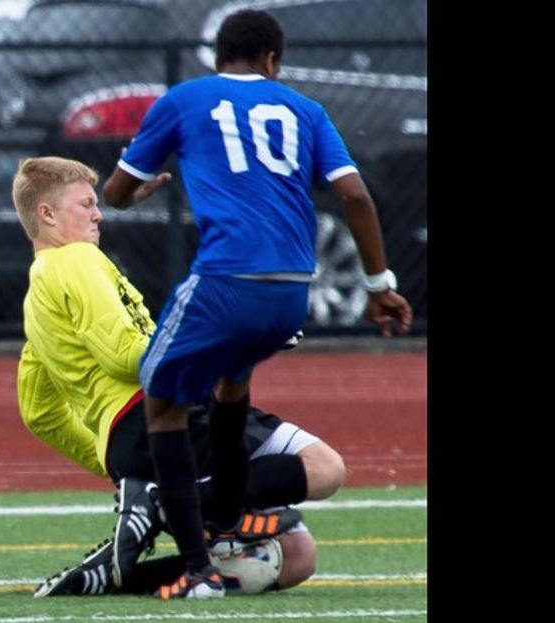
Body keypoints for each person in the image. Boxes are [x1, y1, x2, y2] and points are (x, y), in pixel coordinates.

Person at [101, 9, 413, 599]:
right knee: (230, 386)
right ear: (272, 61)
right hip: (291, 293)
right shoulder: (305, 108)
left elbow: (114, 193)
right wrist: (379, 287)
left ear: (221, 55)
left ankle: (197, 569)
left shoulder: (184, 99)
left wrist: (137, 191)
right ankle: (220, 522)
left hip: (226, 281)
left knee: (160, 401)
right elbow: (355, 196)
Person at [10, 156, 346, 597]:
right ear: (46, 215)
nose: (97, 214)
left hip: (151, 431)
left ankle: (121, 566)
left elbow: (39, 412)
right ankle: (160, 502)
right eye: (86, 204)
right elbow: (125, 356)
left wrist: (111, 460)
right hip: (159, 417)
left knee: (298, 553)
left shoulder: (36, 302)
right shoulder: (75, 260)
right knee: (323, 471)